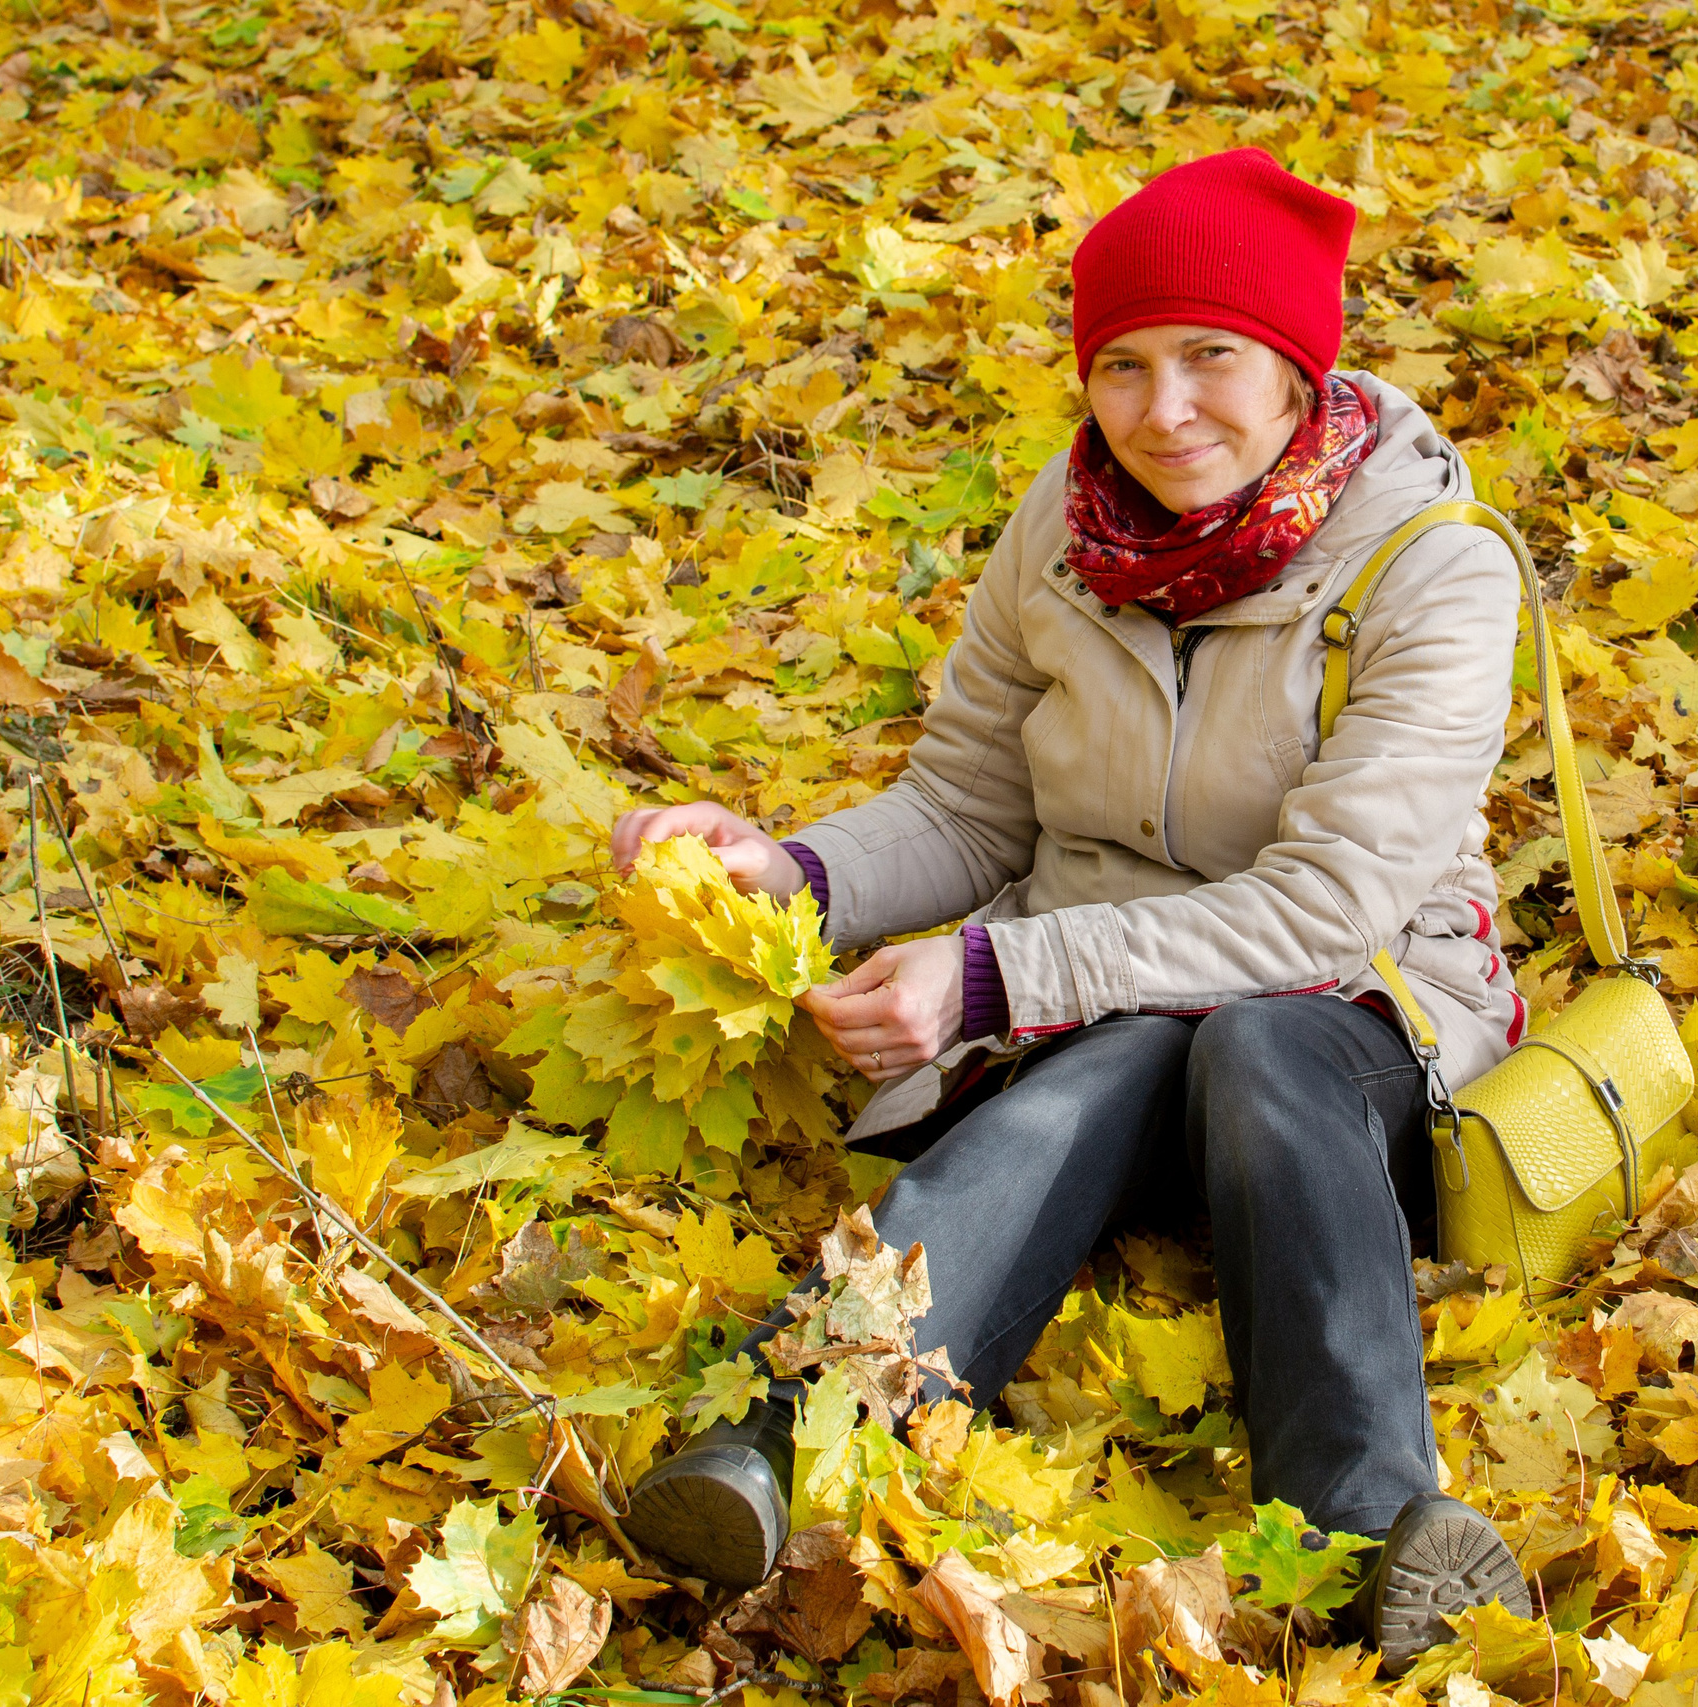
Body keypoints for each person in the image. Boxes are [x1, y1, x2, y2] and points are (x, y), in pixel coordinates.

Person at [610, 148, 1535, 1670]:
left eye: (1211, 359)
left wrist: (993, 975)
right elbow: (970, 804)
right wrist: (793, 872)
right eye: (1121, 367)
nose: (1163, 412)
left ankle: (1371, 1535)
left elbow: (1326, 909)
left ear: (1297, 369)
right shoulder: (1067, 523)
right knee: (1123, 1049)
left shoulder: (1433, 562)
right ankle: (784, 1445)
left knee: (1247, 1040)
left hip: (1351, 1036)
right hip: (1085, 1034)